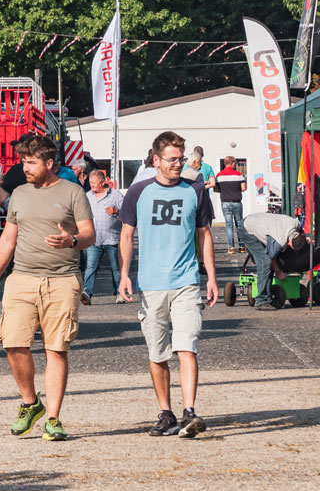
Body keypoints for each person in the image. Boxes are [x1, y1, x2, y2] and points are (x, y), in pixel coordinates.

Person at [0, 134, 94, 442]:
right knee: (13, 343)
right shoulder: (18, 193)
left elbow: (89, 235)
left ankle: (54, 418)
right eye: (23, 162)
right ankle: (31, 403)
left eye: (31, 163)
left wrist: (71, 241)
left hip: (62, 279)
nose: (25, 168)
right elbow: (7, 239)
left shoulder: (72, 192)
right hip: (22, 278)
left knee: (56, 349)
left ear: (49, 163)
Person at [118, 131, 217, 438]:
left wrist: (211, 276)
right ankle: (166, 413)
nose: (178, 164)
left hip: (186, 281)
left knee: (187, 345)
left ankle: (189, 412)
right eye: (173, 159)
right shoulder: (138, 192)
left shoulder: (196, 190)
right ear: (156, 160)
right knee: (157, 351)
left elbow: (205, 234)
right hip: (151, 283)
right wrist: (124, 274)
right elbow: (125, 235)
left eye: (181, 159)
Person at [238, 212, 308, 311]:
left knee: (268, 262)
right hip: (247, 229)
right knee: (265, 262)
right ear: (289, 243)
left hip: (258, 222)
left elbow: (302, 233)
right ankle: (261, 301)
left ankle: (267, 296)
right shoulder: (278, 241)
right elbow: (271, 259)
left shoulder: (296, 224)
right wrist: (278, 272)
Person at [83, 169, 125, 303]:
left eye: (95, 183)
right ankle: (87, 293)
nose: (92, 185)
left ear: (103, 182)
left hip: (112, 238)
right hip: (94, 239)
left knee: (116, 268)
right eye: (90, 182)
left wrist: (116, 211)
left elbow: (127, 213)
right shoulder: (87, 196)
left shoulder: (116, 195)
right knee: (91, 266)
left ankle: (119, 293)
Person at [217, 156, 247, 254]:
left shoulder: (219, 175)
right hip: (236, 202)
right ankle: (242, 246)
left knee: (228, 225)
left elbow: (216, 189)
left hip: (225, 202)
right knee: (239, 224)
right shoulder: (238, 174)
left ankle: (231, 248)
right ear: (232, 163)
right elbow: (243, 188)